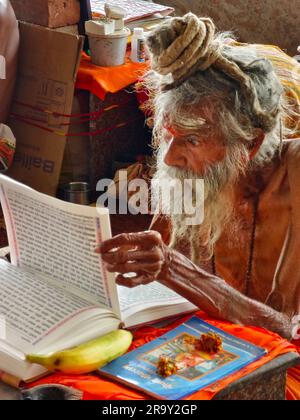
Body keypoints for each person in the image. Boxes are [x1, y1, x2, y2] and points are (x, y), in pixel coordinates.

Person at [97, 13, 300, 399]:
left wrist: (179, 271)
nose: (170, 158)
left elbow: (290, 332)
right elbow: (155, 270)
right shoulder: (189, 181)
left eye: (190, 140)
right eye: (168, 135)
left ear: (250, 144)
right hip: (194, 361)